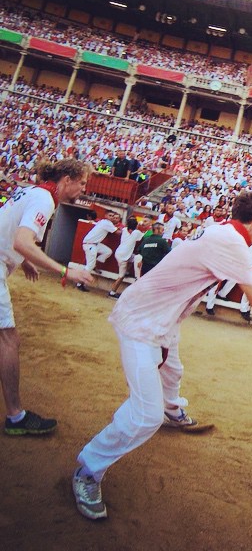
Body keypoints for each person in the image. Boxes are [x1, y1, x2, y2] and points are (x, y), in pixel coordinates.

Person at [72, 191, 252, 520]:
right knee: (145, 416)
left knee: (172, 372)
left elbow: (251, 277)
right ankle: (89, 469)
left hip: (160, 317)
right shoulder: (232, 242)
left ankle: (174, 412)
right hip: (142, 322)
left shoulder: (221, 232)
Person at [1, 159, 93, 436]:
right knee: (8, 340)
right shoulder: (44, 199)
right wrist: (65, 271)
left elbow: (11, 233)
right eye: (82, 183)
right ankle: (16, 417)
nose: (83, 189)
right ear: (67, 179)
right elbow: (22, 241)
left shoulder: (32, 191)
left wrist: (25, 261)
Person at [77, 209, 121, 291]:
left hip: (94, 244)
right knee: (89, 265)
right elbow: (118, 233)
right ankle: (80, 283)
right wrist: (123, 230)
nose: (111, 217)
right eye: (110, 216)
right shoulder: (106, 223)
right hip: (90, 245)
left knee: (108, 251)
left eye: (113, 216)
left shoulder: (103, 222)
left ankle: (95, 264)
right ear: (106, 216)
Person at [108, 216, 147, 299]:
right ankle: (112, 292)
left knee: (135, 258)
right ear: (136, 226)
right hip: (124, 257)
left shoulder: (125, 230)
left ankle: (127, 272)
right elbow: (143, 237)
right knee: (121, 276)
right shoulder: (137, 233)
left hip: (120, 253)